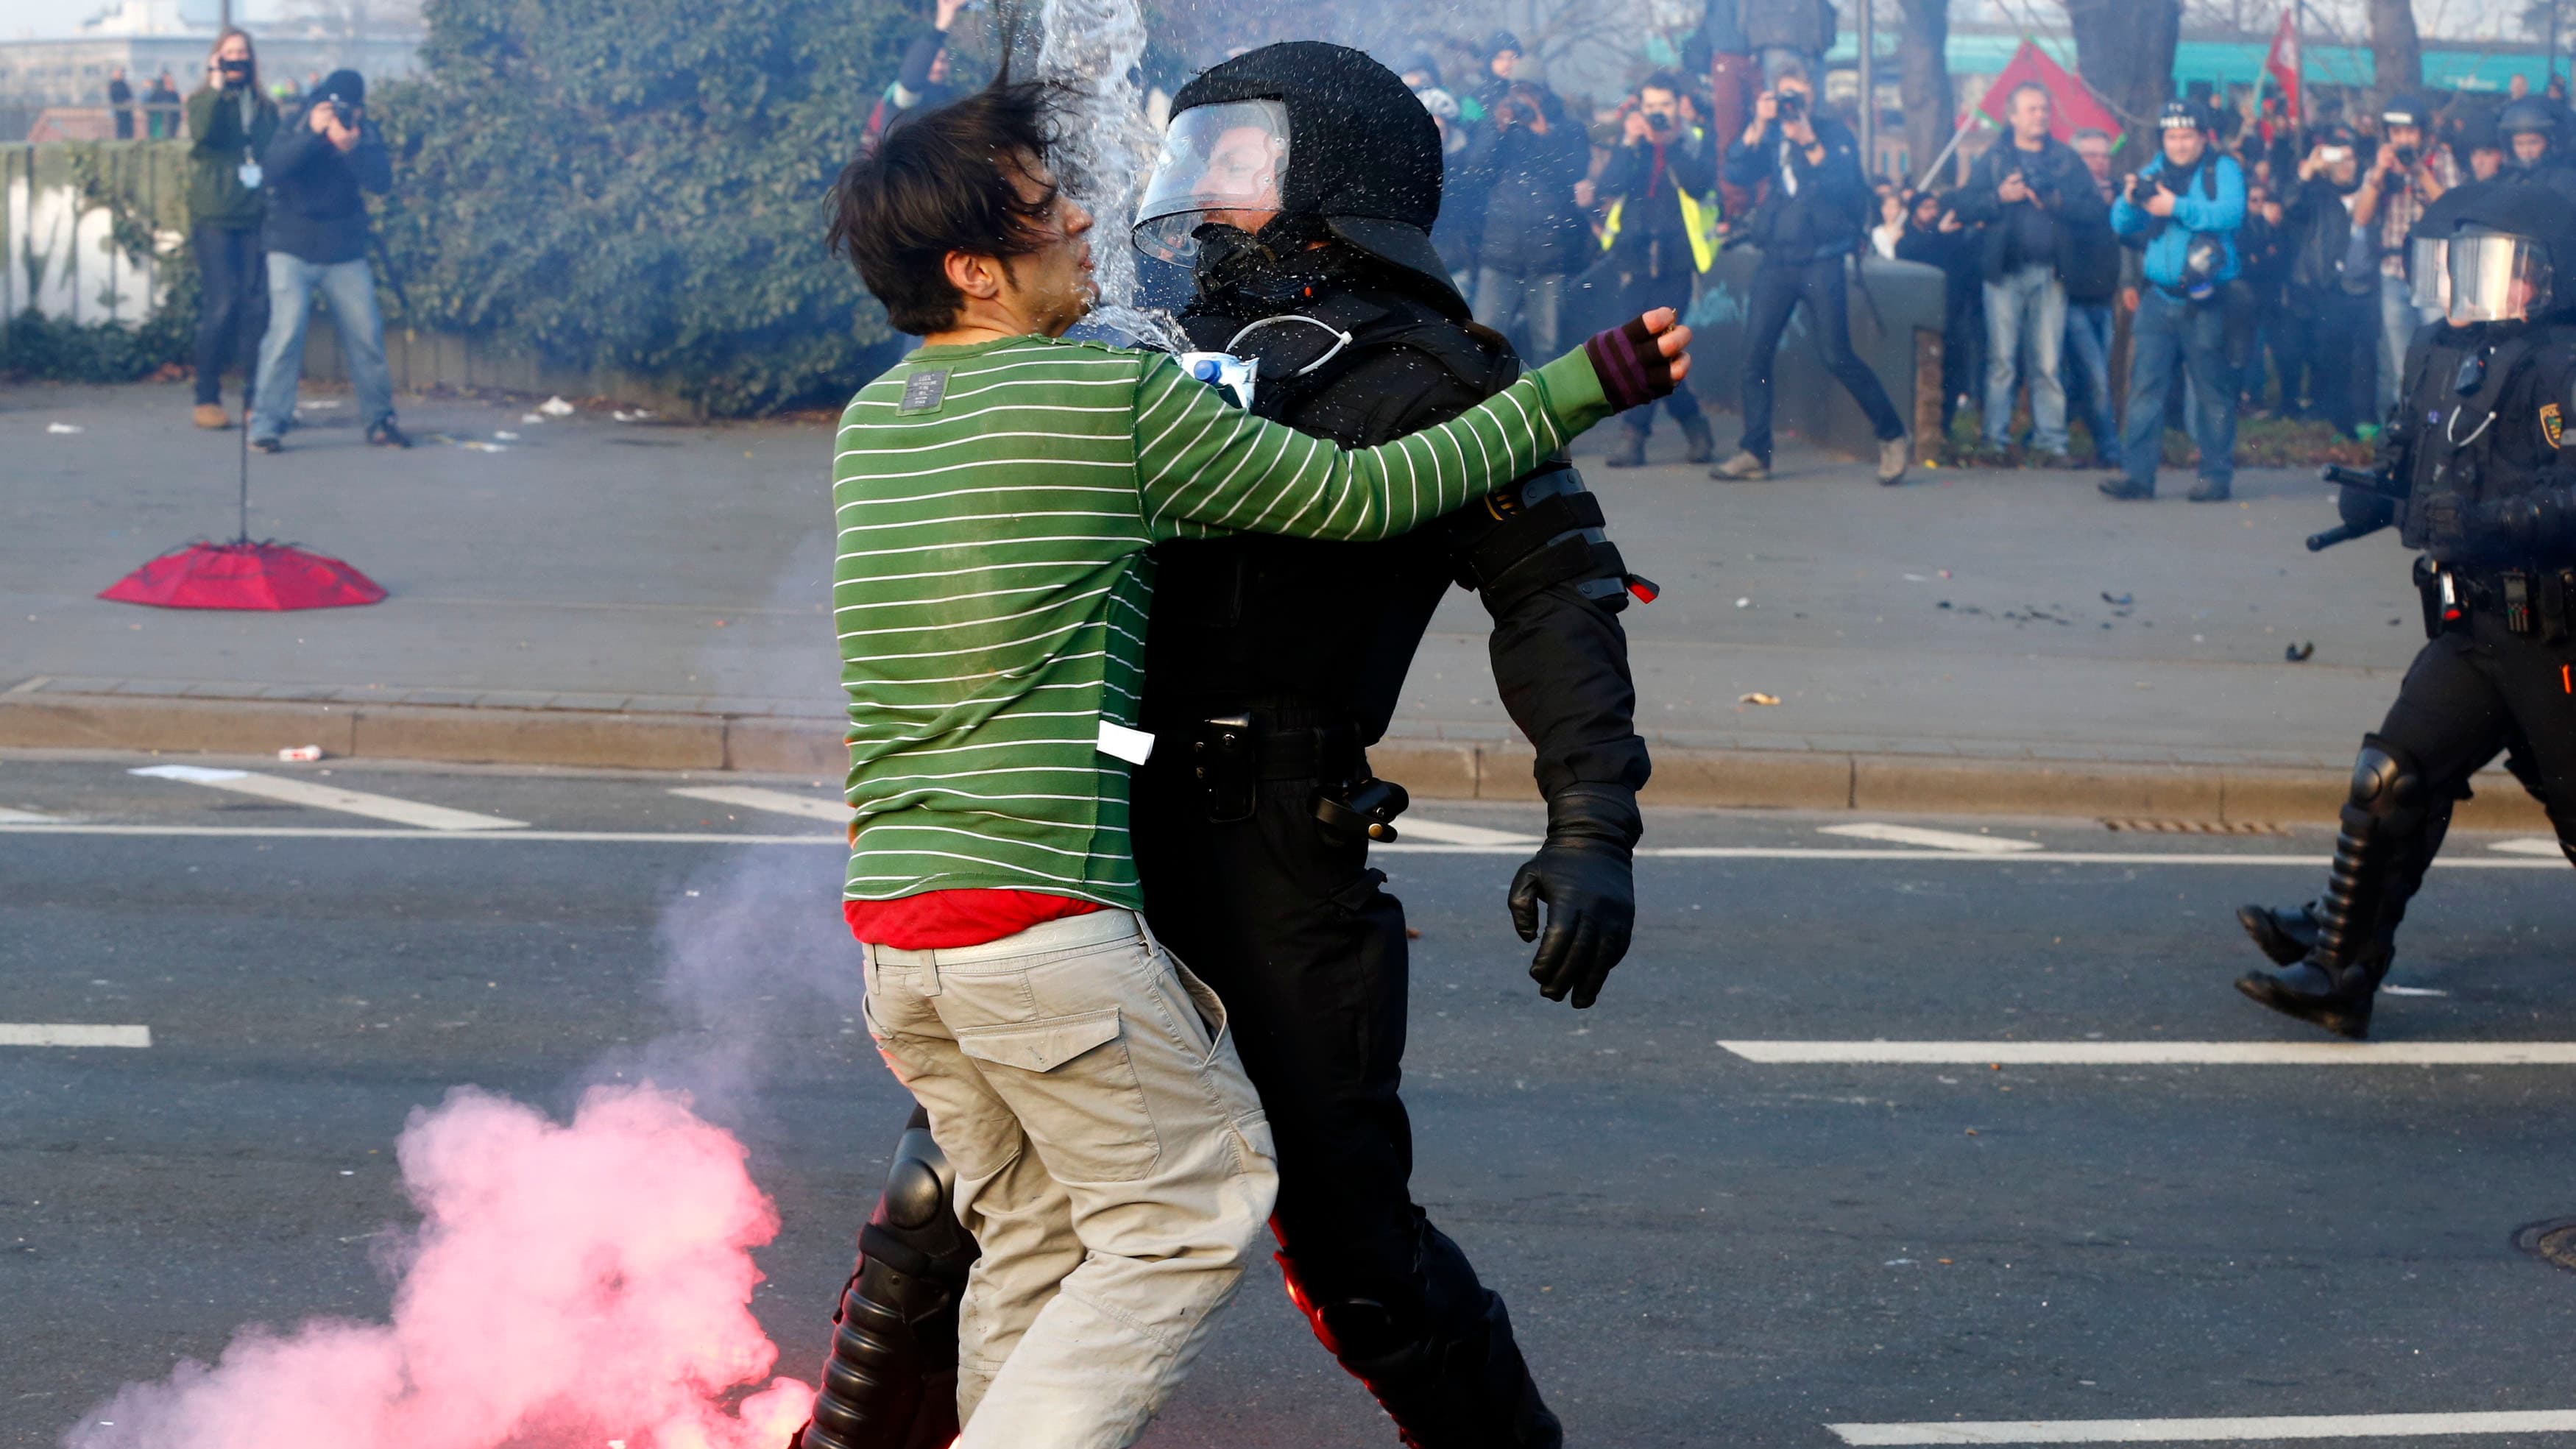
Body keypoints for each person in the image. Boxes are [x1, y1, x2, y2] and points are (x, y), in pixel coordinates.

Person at [793, 44, 1680, 1449]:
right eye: (1191, 154)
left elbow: (1555, 593)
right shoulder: (1114, 358)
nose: (1185, 195)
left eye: (1236, 159)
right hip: (1092, 828)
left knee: (1350, 1245)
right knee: (954, 1197)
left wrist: (1590, 816)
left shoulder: (1432, 373)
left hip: (1276, 847)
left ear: (1336, 181)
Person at [2234, 183, 2576, 1038]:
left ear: (2548, 275)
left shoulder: (2560, 363)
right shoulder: (2440, 347)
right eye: (2465, 267)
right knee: (2391, 776)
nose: (2480, 287)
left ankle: (2338, 940)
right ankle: (2341, 966)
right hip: (2471, 625)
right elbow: (2412, 448)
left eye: (2501, 269)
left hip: (2549, 630)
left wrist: (2488, 522)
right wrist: (2377, 493)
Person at [1711, 68, 1910, 483]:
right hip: (1777, 261)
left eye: (1796, 98)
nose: (1790, 107)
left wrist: (1809, 142)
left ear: (1811, 98)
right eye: (1783, 97)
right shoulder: (1769, 137)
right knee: (1754, 357)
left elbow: (1849, 189)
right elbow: (1734, 173)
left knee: (1837, 355)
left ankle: (1892, 435)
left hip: (1822, 261)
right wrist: (1758, 124)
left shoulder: (1834, 134)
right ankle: (1755, 452)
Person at [1948, 81, 2109, 465]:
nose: (2041, 115)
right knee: (2002, 361)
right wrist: (1998, 198)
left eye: (2044, 109)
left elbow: (2093, 209)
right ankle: (1994, 442)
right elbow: (1964, 205)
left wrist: (2056, 200)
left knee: (2048, 363)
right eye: (2032, 109)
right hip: (2004, 274)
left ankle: (2051, 443)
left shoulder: (2066, 160)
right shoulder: (1995, 158)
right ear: (2013, 116)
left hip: (2051, 273)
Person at [248, 70, 406, 453]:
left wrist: (349, 149)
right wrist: (312, 136)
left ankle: (380, 420)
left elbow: (381, 181)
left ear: (360, 108)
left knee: (366, 333)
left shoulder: (363, 132)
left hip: (344, 250)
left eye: (346, 108)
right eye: (331, 106)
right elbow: (272, 171)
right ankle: (267, 424)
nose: (338, 113)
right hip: (291, 244)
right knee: (285, 334)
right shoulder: (297, 122)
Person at [2104, 100, 2246, 502]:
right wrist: (2131, 198)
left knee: (2210, 390)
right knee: (2145, 388)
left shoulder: (2223, 169)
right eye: (2171, 137)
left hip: (2207, 297)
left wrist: (2176, 207)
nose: (2179, 145)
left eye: (2186, 137)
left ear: (2203, 136)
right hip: (2158, 294)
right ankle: (2137, 475)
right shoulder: (2155, 169)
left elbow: (2231, 214)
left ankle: (2215, 475)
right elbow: (2120, 225)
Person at [1590, 69, 1719, 466]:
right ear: (1640, 107)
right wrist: (1630, 142)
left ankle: (1634, 435)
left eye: (1664, 106)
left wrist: (1671, 142)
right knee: (1636, 352)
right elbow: (1608, 187)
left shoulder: (1694, 140)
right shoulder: (1633, 144)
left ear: (1678, 105)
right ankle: (1694, 422)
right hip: (1634, 262)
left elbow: (1700, 185)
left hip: (1677, 263)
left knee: (1657, 350)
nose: (1657, 113)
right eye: (1651, 107)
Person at [182, 27, 276, 431]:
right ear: (216, 59)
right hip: (215, 215)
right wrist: (216, 85)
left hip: (254, 213)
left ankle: (256, 399)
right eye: (228, 54)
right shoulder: (204, 102)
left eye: (242, 54)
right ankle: (207, 396)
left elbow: (273, 150)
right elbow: (203, 135)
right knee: (222, 306)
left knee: (257, 307)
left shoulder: (264, 106)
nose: (237, 60)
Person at [1466, 80, 1590, 361]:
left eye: (1531, 91)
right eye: (1518, 91)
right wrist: (1498, 129)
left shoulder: (1567, 128)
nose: (1523, 99)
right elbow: (1475, 166)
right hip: (1500, 253)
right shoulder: (1501, 125)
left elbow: (1573, 171)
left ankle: (1547, 404)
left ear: (1544, 93)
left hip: (1548, 255)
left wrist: (1541, 131)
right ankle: (1486, 401)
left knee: (1549, 346)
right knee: (1484, 342)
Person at [2356, 96, 2458, 416]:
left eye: (2409, 132)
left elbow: (2454, 208)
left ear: (2422, 133)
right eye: (2396, 133)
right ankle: (2404, 433)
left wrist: (2419, 172)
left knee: (2439, 355)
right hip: (2393, 271)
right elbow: (2360, 218)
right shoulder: (2381, 163)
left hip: (2434, 270)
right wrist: (2378, 177)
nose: (2403, 140)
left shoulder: (2439, 160)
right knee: (2401, 362)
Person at [2282, 125, 2379, 439]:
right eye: (2339, 159)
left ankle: (2366, 419)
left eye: (2351, 158)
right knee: (2334, 356)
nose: (2346, 165)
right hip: (2330, 286)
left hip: (2370, 284)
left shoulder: (2374, 188)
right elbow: (2290, 205)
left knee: (2368, 354)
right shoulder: (2318, 195)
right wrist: (2307, 171)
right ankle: (2341, 423)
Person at [2062, 127, 2124, 469]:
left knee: (2085, 377)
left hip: (2105, 298)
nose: (2099, 163)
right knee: (2095, 374)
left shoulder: (2117, 194)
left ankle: (2049, 434)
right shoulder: (2067, 194)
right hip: (2073, 298)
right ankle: (2109, 448)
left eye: (2104, 155)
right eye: (2091, 155)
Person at [1896, 187, 1981, 436]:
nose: (1933, 213)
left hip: (1954, 313)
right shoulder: (1910, 240)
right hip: (1923, 315)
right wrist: (1938, 234)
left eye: (1935, 208)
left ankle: (1946, 425)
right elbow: (1911, 253)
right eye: (1926, 208)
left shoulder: (1951, 237)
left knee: (1955, 371)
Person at [863, 0, 966, 152]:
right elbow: (911, 80)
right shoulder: (907, 95)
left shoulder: (950, 97)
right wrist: (940, 29)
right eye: (933, 60)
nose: (939, 66)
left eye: (943, 61)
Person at [107, 66, 133, 140]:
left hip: (127, 108)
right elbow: (114, 96)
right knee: (120, 124)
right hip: (119, 108)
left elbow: (129, 95)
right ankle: (121, 137)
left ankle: (128, 137)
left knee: (127, 124)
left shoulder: (124, 84)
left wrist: (128, 101)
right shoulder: (113, 85)